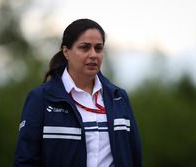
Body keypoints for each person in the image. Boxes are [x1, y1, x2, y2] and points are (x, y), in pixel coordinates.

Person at [14, 18, 142, 167]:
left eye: (98, 48)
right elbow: (25, 160)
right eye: (85, 47)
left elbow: (135, 156)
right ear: (66, 52)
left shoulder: (119, 97)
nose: (93, 54)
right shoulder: (40, 98)